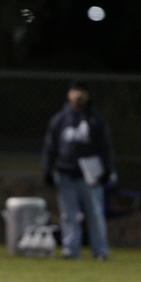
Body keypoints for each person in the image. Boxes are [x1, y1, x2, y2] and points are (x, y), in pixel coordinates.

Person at [41, 81, 116, 260]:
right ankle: (71, 250)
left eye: (82, 91)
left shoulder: (95, 120)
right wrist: (47, 170)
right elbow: (50, 147)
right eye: (75, 91)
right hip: (65, 173)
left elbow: (105, 147)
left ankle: (100, 251)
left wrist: (107, 169)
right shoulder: (60, 119)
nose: (78, 95)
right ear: (69, 94)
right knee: (68, 216)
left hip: (89, 176)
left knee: (95, 214)